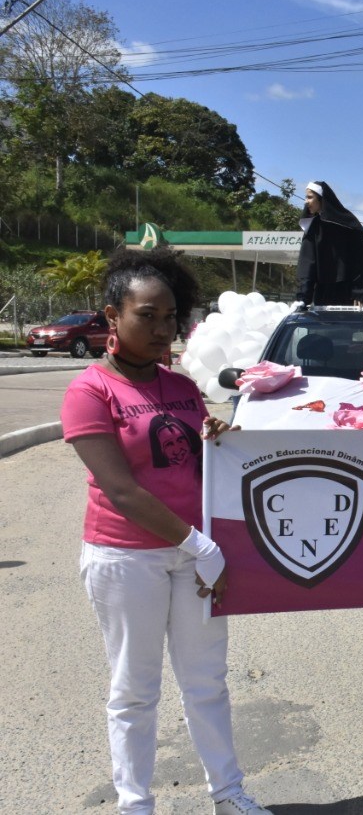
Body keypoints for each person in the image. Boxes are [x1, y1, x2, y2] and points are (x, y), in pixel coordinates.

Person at [62, 249, 271, 815]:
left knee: (207, 681)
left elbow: (201, 471)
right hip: (127, 557)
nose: (163, 328)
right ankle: (135, 804)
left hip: (196, 557)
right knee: (135, 690)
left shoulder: (181, 385)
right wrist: (200, 545)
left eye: (171, 316)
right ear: (113, 317)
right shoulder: (89, 392)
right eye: (147, 316)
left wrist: (221, 440)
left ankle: (229, 794)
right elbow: (122, 490)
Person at [294, 180, 363, 307]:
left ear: (321, 199)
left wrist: (359, 291)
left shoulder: (346, 223)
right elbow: (307, 264)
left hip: (350, 294)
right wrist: (303, 298)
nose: (306, 201)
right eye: (306, 197)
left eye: (310, 197)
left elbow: (360, 260)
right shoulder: (313, 227)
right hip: (324, 294)